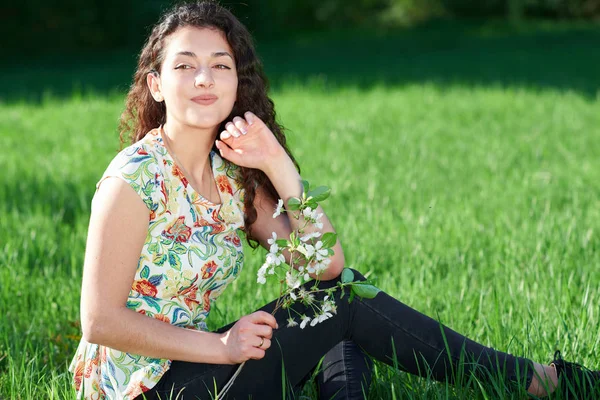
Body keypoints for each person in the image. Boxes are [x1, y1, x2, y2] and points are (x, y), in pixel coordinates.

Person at [68, 1, 599, 399]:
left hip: (194, 371)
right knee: (340, 306)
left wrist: (276, 163)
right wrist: (223, 346)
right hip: (136, 388)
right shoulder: (134, 177)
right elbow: (100, 321)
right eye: (184, 66)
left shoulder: (231, 176)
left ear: (237, 82)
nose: (204, 78)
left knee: (335, 309)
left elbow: (325, 267)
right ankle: (539, 381)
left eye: (221, 65)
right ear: (156, 84)